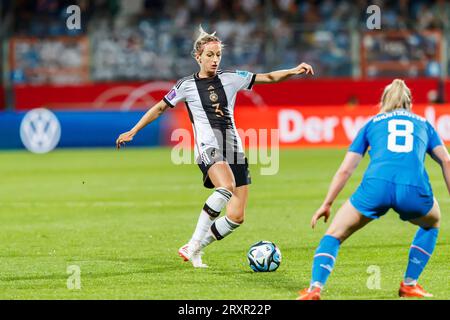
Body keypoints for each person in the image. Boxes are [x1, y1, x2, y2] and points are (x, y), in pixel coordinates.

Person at [116, 26, 314, 268]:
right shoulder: (186, 85)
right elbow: (160, 107)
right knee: (226, 186)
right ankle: (193, 242)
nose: (215, 59)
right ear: (198, 56)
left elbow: (269, 77)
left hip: (234, 148)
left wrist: (294, 71)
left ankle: (198, 248)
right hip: (209, 146)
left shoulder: (231, 77)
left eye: (218, 54)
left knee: (236, 216)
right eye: (210, 55)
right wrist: (134, 130)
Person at [298, 79, 449, 300]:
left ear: (383, 101)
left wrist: (327, 203)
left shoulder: (372, 123)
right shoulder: (424, 124)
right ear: (409, 102)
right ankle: (409, 284)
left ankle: (314, 289)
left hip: (376, 185)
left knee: (334, 234)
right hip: (412, 188)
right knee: (432, 223)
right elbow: (445, 160)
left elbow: (346, 169)